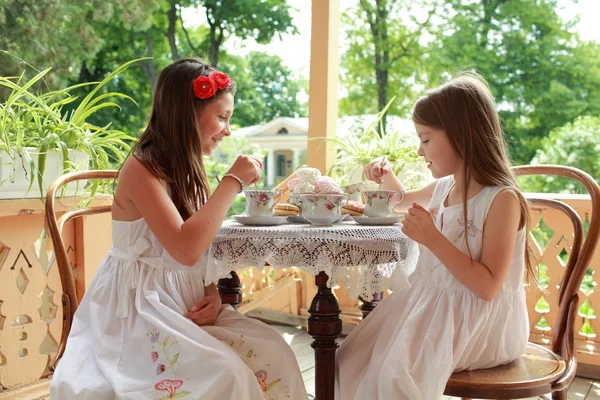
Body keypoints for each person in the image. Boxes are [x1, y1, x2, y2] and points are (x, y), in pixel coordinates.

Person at [50, 58, 307, 400]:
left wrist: (212, 295)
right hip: (138, 310)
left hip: (182, 303)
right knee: (225, 374)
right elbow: (184, 248)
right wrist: (231, 182)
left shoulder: (191, 171)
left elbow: (200, 253)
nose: (227, 129)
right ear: (186, 113)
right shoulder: (141, 170)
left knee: (276, 354)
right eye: (221, 117)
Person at [335, 72, 533, 400]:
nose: (418, 150)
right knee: (349, 358)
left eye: (425, 140)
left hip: (483, 324)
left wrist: (433, 239)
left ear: (461, 135)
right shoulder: (446, 187)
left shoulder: (501, 199)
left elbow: (488, 286)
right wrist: (386, 177)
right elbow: (400, 201)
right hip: (432, 303)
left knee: (396, 374)